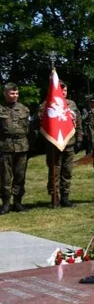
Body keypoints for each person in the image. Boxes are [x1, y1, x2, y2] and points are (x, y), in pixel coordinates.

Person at [44, 81, 82, 208]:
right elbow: (42, 126)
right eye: (61, 91)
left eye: (65, 91)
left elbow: (78, 122)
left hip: (69, 143)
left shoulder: (72, 104)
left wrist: (79, 139)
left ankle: (65, 197)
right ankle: (55, 197)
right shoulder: (46, 105)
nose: (63, 93)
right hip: (54, 145)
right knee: (54, 171)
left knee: (67, 171)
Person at [0, 82, 31, 214]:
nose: (15, 96)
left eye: (16, 93)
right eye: (12, 93)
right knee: (5, 177)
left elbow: (28, 128)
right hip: (5, 146)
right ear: (5, 94)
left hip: (22, 146)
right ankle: (6, 203)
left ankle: (18, 202)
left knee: (20, 176)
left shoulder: (24, 109)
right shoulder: (0, 109)